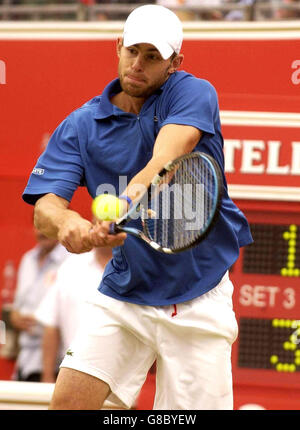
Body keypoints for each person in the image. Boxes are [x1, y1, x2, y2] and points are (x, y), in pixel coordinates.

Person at [22, 4, 253, 409]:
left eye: (152, 56)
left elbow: (166, 157)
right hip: (125, 291)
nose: (138, 64)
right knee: (69, 402)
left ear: (174, 63)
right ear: (118, 47)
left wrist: (126, 202)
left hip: (199, 296)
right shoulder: (80, 125)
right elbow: (46, 206)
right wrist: (68, 224)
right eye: (132, 51)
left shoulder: (192, 93)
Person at [34, 246, 112, 383]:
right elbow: (51, 324)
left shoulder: (136, 270)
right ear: (94, 224)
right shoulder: (71, 266)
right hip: (72, 371)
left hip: (121, 377)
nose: (105, 229)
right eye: (101, 223)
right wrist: (47, 377)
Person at [10, 227, 69, 382]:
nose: (43, 232)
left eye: (48, 226)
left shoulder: (72, 261)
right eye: (38, 226)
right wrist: (14, 317)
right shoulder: (28, 259)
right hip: (24, 360)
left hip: (57, 366)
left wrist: (47, 375)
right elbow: (18, 305)